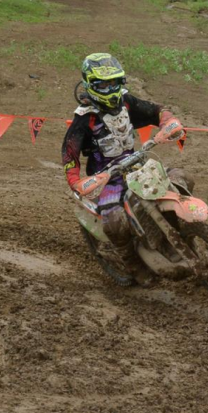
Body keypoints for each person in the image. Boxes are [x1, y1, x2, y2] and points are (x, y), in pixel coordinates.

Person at [61, 53, 187, 284]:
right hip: (106, 176)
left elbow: (154, 110)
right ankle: (133, 265)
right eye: (103, 85)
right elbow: (70, 153)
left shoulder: (126, 102)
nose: (109, 90)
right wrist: (75, 180)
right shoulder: (85, 118)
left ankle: (177, 234)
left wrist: (167, 120)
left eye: (114, 83)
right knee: (115, 221)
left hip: (136, 162)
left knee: (180, 178)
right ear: (91, 85)